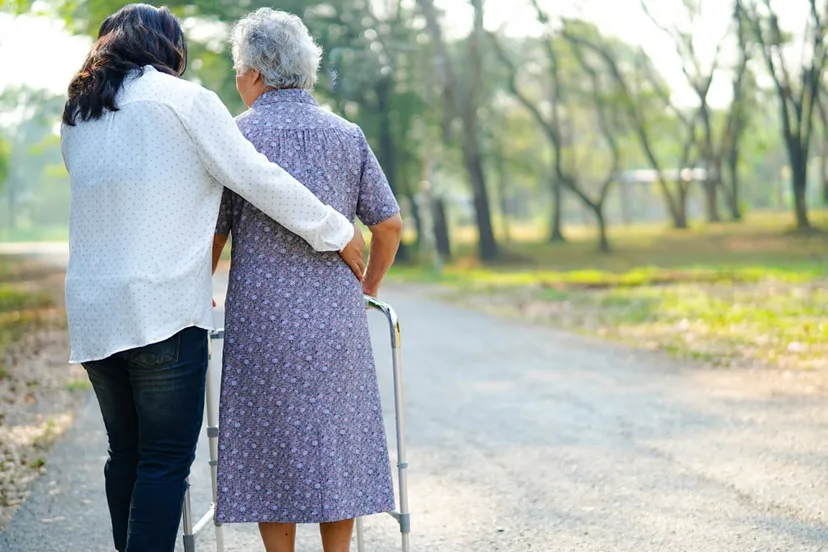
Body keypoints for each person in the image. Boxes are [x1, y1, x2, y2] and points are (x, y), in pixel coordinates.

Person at [60, 4, 367, 552]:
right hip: (162, 308)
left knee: (124, 454)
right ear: (167, 48)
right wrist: (336, 229)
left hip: (93, 309)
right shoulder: (184, 101)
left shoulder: (79, 113)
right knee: (162, 462)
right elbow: (256, 177)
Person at [211, 8, 403, 552]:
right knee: (333, 449)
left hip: (262, 324)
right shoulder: (346, 135)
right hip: (336, 324)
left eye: (236, 68)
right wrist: (368, 288)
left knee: (272, 450)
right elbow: (387, 224)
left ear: (253, 72)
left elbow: (213, 238)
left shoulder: (234, 139)